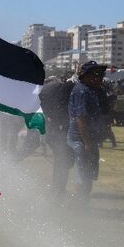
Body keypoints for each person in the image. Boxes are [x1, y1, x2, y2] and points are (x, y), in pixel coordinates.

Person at [67, 61, 107, 204]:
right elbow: (81, 118)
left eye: (101, 75)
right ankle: (79, 206)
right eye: (96, 74)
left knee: (89, 174)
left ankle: (84, 203)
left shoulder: (91, 90)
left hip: (89, 139)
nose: (100, 77)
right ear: (86, 76)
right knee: (83, 174)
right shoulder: (81, 91)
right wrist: (87, 142)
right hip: (81, 139)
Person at [39, 74, 76, 199]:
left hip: (53, 130)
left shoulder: (48, 91)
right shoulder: (61, 91)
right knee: (63, 161)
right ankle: (58, 189)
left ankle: (57, 188)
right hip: (59, 131)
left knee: (60, 161)